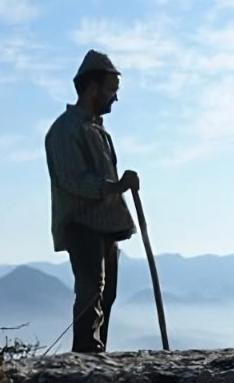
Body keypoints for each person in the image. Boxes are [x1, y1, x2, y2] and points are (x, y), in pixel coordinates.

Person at [44, 50, 140, 353]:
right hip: (81, 223)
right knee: (91, 290)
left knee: (106, 292)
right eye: (111, 89)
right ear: (92, 88)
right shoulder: (65, 130)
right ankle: (86, 351)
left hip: (106, 224)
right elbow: (73, 180)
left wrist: (118, 187)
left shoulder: (97, 131)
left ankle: (97, 351)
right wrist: (115, 186)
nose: (115, 97)